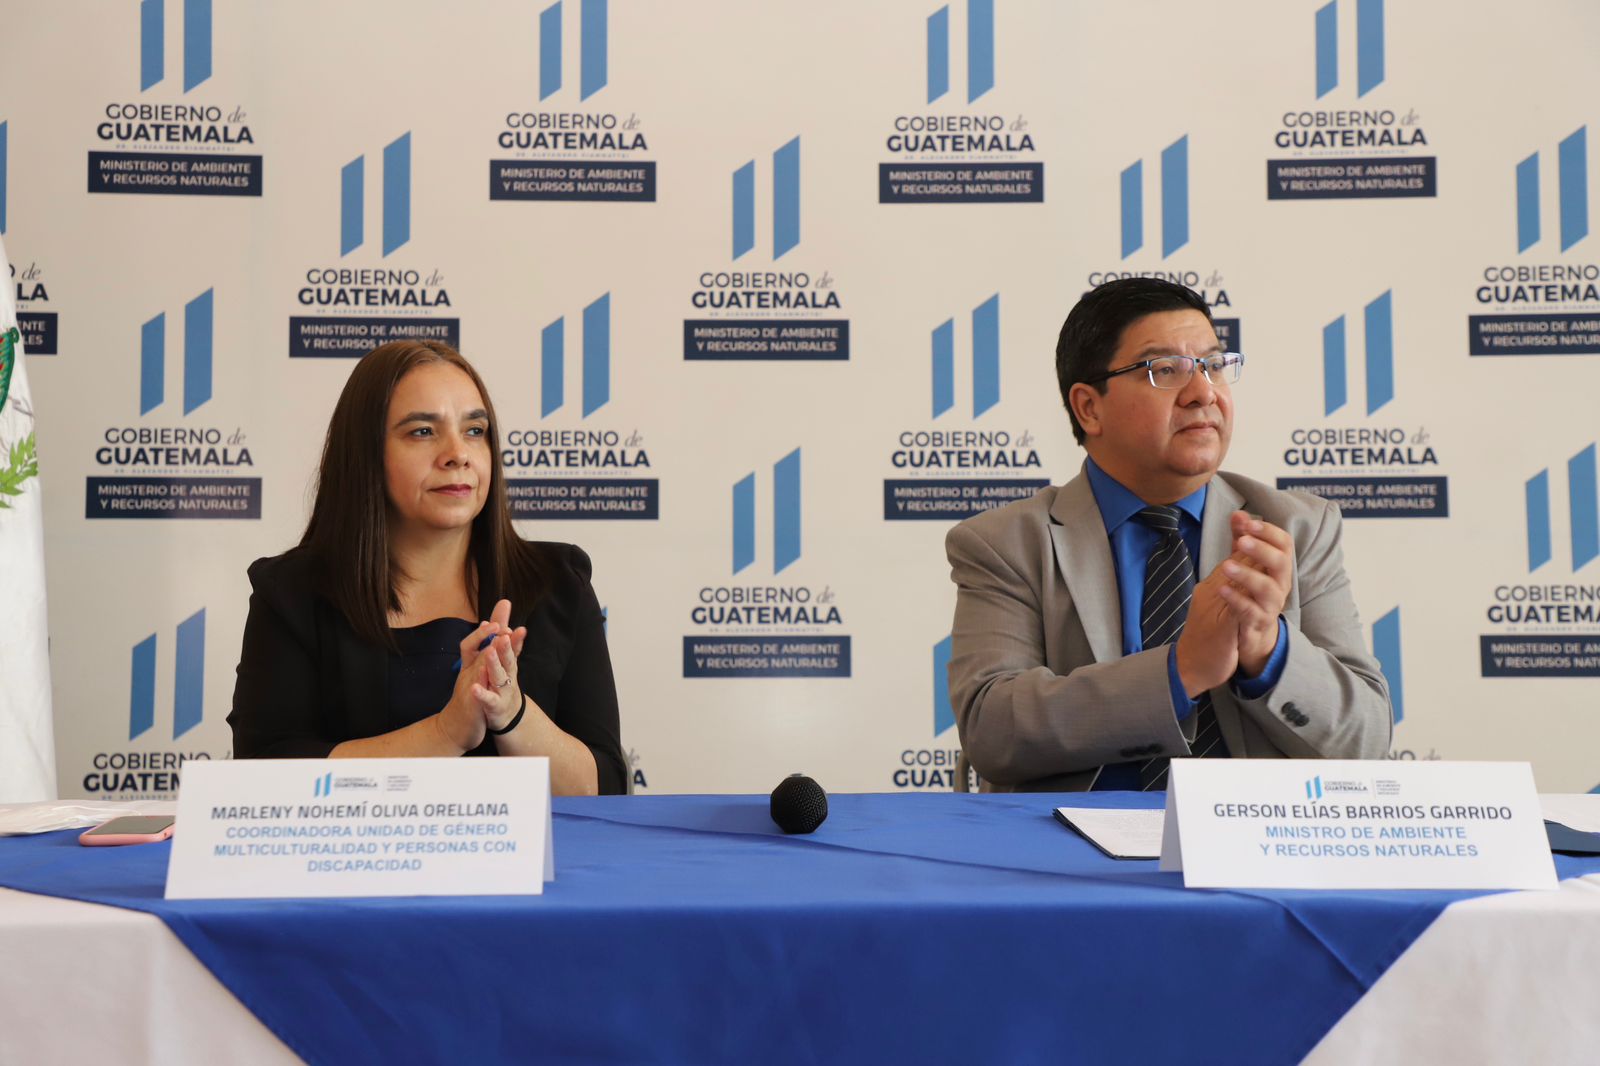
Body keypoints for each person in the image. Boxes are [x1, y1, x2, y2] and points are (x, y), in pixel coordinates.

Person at [945, 278, 1391, 792]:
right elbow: (993, 731)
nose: (1204, 392)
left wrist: (1269, 652)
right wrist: (1179, 672)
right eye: (1165, 370)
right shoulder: (1007, 543)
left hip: (1252, 833)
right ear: (1089, 408)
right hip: (1069, 838)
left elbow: (1367, 741)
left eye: (1213, 365)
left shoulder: (1295, 528)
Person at [229, 339, 626, 795]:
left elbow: (607, 787)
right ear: (366, 453)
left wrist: (512, 713)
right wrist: (445, 733)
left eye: (474, 430)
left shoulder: (559, 584)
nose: (458, 453)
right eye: (422, 431)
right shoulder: (291, 594)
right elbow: (262, 777)